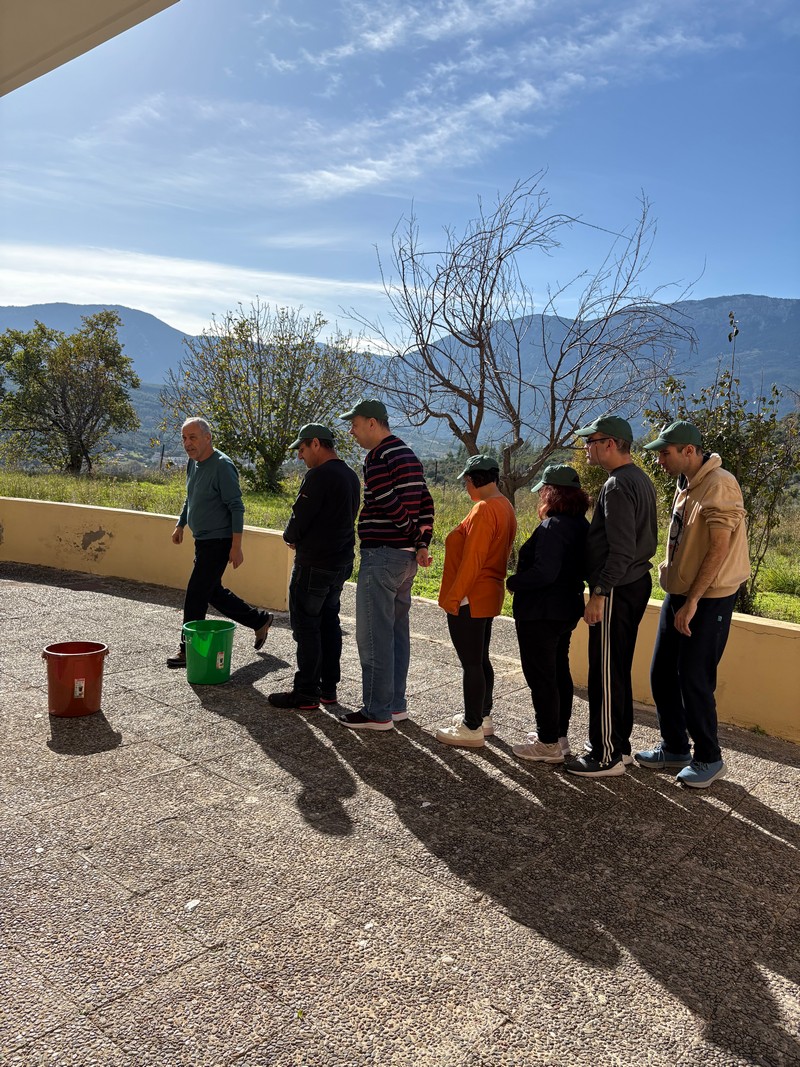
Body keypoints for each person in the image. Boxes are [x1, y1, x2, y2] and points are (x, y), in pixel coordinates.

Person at [636, 420, 750, 788]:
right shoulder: (686, 483)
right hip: (681, 593)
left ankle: (709, 757)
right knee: (662, 673)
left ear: (689, 451)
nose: (660, 461)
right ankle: (675, 747)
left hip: (709, 598)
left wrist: (694, 601)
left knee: (694, 678)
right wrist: (671, 574)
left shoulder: (720, 484)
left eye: (665, 453)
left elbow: (719, 547)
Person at [564, 414, 658, 777]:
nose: (586, 448)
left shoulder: (617, 484)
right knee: (615, 668)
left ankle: (605, 755)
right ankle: (621, 746)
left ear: (610, 444)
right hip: (633, 583)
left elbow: (621, 549)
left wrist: (600, 592)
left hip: (617, 587)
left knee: (604, 673)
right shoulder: (639, 478)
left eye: (591, 441)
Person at [337, 399, 434, 731]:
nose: (351, 432)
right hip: (406, 559)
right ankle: (395, 706)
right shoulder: (409, 454)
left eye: (354, 424)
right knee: (396, 633)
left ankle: (376, 712)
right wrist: (420, 542)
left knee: (373, 636)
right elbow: (426, 502)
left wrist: (410, 533)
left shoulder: (377, 456)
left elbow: (387, 501)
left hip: (381, 555)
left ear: (372, 423)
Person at [268, 424, 360, 711]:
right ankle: (328, 689)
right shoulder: (350, 476)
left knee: (306, 626)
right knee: (329, 623)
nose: (300, 456)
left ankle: (306, 692)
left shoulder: (319, 475)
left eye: (302, 448)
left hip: (314, 564)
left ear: (317, 444)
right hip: (340, 563)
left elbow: (301, 516)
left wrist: (290, 536)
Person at [167, 417, 273, 668]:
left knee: (196, 594)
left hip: (219, 541)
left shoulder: (222, 466)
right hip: (203, 541)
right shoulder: (193, 463)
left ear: (208, 438)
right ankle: (259, 620)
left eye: (193, 437)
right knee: (212, 591)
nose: (187, 443)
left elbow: (236, 507)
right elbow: (191, 497)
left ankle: (188, 649)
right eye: (184, 438)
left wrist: (236, 546)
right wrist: (181, 524)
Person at [507, 465, 590, 764]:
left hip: (541, 612)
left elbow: (545, 572)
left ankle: (547, 743)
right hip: (565, 609)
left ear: (552, 493)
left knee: (541, 677)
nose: (540, 495)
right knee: (558, 672)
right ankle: (558, 736)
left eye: (543, 490)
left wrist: (514, 582)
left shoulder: (553, 526)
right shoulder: (581, 524)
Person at [434, 456, 517, 749]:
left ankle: (471, 727)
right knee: (480, 659)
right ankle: (482, 716)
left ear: (473, 479)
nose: (466, 487)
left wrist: (454, 598)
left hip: (471, 595)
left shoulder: (484, 508)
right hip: (489, 592)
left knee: (471, 663)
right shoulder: (505, 505)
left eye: (466, 481)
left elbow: (473, 560)